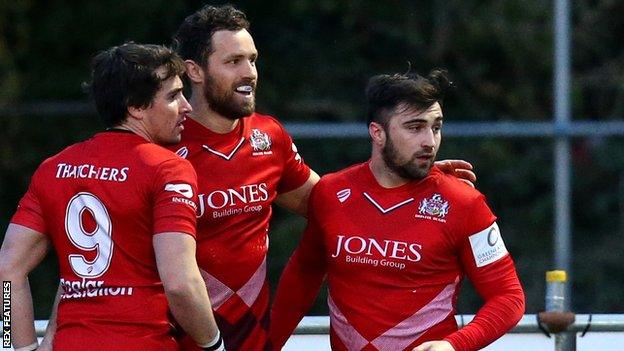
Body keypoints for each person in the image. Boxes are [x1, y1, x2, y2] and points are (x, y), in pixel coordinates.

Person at [170, 5, 477, 351]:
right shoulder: (164, 142)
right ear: (194, 71)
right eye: (233, 62)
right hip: (172, 334)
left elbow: (336, 203)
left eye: (252, 60)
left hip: (246, 336)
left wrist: (417, 174)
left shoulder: (268, 137)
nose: (250, 73)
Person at [270, 70, 525, 351]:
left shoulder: (464, 203)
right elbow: (303, 276)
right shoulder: (330, 193)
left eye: (436, 127)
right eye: (415, 128)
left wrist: (454, 346)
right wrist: (267, 346)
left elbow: (509, 297)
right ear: (377, 133)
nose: (429, 140)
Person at [0, 43, 224, 351]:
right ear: (135, 106)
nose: (187, 106)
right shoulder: (168, 169)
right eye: (173, 96)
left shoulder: (53, 169)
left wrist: (19, 347)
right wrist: (214, 344)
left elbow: (6, 271)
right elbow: (181, 283)